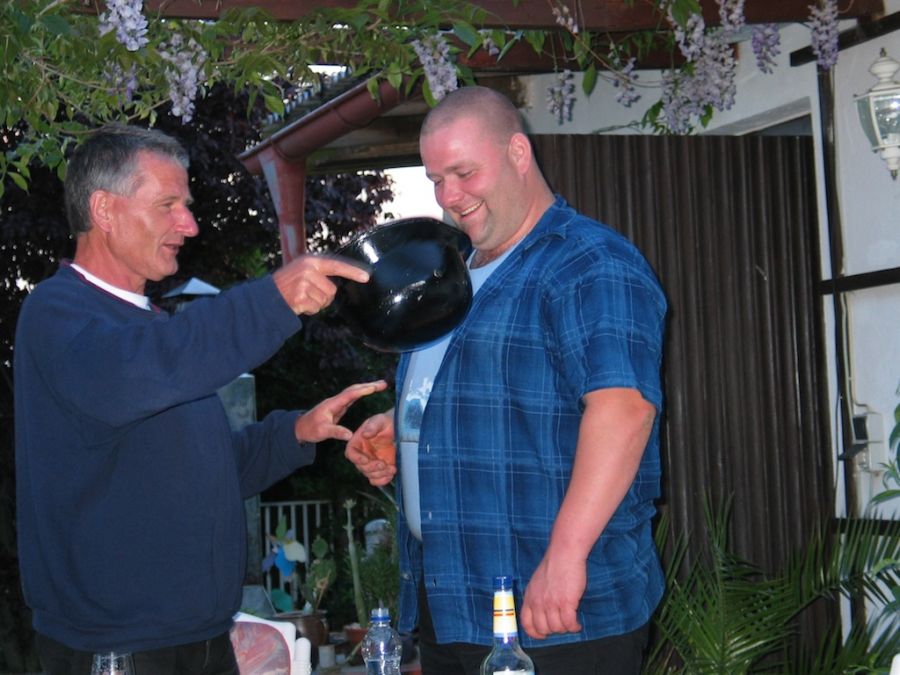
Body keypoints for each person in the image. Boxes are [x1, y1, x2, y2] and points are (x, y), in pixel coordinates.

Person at [14, 123, 387, 675]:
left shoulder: (151, 329)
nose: (188, 225)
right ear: (105, 209)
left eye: (186, 207)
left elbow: (206, 472)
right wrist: (273, 299)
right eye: (168, 205)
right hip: (120, 648)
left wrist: (294, 433)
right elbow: (151, 366)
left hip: (203, 638)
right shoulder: (59, 316)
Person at [346, 86, 667, 675]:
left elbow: (624, 410)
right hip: (452, 605)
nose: (449, 196)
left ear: (518, 152)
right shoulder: (453, 272)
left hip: (556, 613)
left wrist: (566, 556)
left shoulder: (589, 262)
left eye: (464, 173)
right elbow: (487, 392)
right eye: (436, 179)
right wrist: (406, 429)